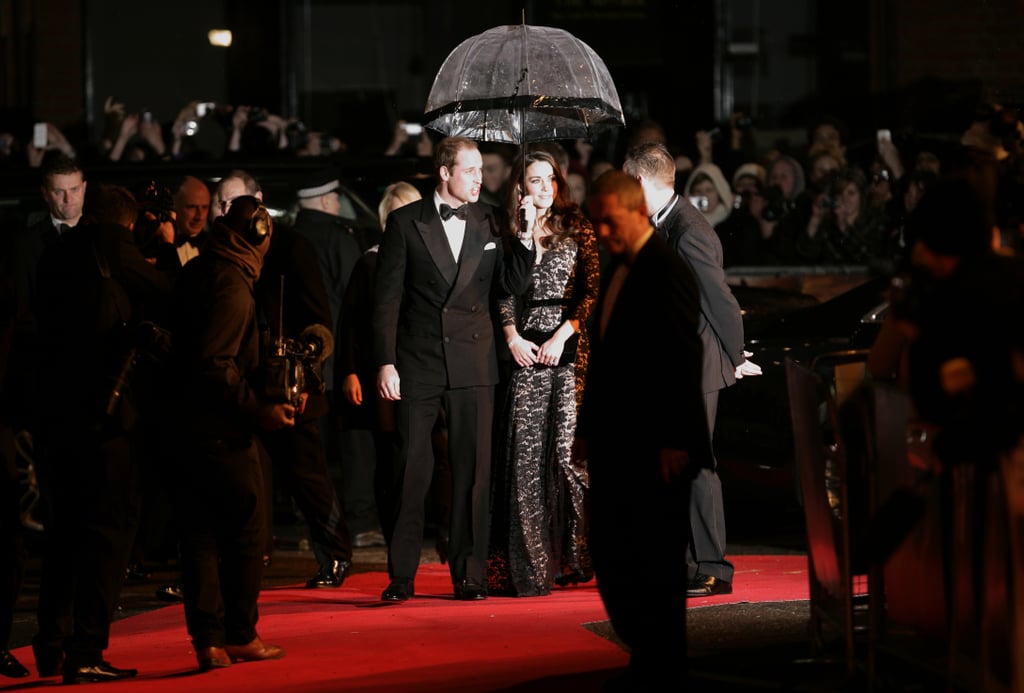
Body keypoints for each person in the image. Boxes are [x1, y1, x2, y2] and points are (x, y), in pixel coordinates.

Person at [373, 136, 535, 602]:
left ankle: (469, 575)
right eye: (470, 170)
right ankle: (401, 576)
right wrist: (385, 362)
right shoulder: (406, 223)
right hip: (417, 363)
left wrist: (523, 234)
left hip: (474, 362)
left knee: (473, 474)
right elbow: (387, 301)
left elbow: (511, 286)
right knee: (410, 470)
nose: (479, 178)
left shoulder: (491, 219)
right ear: (444, 172)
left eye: (482, 170)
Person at [30, 180, 176, 684]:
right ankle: (85, 650)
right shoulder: (115, 246)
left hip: (55, 415)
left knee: (64, 534)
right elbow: (168, 295)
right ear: (129, 222)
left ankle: (49, 644)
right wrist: (165, 251)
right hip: (105, 415)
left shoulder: (56, 253)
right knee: (108, 534)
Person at [576, 170, 711, 690]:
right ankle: (646, 654)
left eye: (609, 222)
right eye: (597, 223)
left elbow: (682, 357)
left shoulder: (667, 269)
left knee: (654, 561)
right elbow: (606, 360)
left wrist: (677, 439)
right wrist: (587, 428)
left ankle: (662, 664)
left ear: (637, 211)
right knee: (615, 554)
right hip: (617, 442)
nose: (603, 232)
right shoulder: (619, 269)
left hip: (657, 447)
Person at [169, 195, 289, 672]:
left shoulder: (199, 270)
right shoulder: (234, 285)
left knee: (198, 537)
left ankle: (208, 642)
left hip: (185, 428)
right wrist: (261, 409)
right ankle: (239, 633)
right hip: (224, 431)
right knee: (246, 533)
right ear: (257, 237)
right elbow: (215, 365)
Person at [623, 142, 748, 598]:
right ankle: (688, 562)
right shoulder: (658, 225)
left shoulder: (688, 230)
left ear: (639, 181)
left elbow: (719, 300)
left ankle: (713, 566)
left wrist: (736, 356)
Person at [487, 147, 600, 597]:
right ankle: (530, 567)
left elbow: (591, 291)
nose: (544, 189)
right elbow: (502, 292)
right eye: (535, 180)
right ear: (520, 186)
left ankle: (573, 556)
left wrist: (562, 336)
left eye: (550, 180)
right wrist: (512, 336)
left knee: (565, 458)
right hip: (523, 352)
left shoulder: (577, 227)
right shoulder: (508, 231)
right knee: (526, 462)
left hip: (567, 351)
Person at [289, 166, 379, 547]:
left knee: (312, 449)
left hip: (299, 359)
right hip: (338, 358)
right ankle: (360, 522)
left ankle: (316, 524)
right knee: (355, 446)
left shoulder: (290, 238)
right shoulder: (339, 238)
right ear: (328, 200)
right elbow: (356, 295)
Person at [336, 181, 424, 552]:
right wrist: (350, 371)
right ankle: (391, 532)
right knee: (387, 456)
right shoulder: (371, 263)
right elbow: (351, 322)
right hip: (381, 373)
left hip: (418, 370)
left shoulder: (422, 262)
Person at [172, 174, 212, 266]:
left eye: (205, 207)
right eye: (192, 207)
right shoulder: (157, 244)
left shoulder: (215, 246)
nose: (200, 216)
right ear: (174, 205)